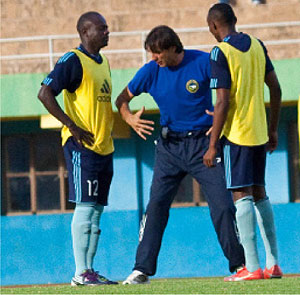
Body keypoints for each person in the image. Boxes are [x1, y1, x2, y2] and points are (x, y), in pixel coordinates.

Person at [115, 25, 245, 285]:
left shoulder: (203, 61)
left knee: (222, 205)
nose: (154, 59)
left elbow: (229, 95)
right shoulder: (151, 71)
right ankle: (141, 270)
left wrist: (220, 122)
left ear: (174, 48)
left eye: (158, 53)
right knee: (155, 208)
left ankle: (240, 266)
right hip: (169, 148)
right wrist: (128, 118)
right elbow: (121, 99)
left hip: (203, 146)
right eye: (151, 54)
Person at [37, 11, 118, 286]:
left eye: (107, 28)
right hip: (82, 147)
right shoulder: (73, 60)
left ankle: (90, 270)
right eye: (102, 28)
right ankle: (80, 272)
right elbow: (44, 93)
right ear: (85, 32)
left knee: (96, 210)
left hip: (104, 147)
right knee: (85, 206)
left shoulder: (103, 61)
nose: (108, 32)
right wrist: (71, 125)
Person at [204, 3, 283, 281]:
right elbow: (276, 88)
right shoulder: (258, 45)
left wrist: (213, 143)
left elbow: (223, 100)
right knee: (260, 192)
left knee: (241, 194)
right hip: (260, 132)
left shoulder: (219, 51)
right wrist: (272, 130)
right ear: (234, 19)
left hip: (236, 134)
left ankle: (251, 266)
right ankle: (273, 263)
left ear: (214, 26)